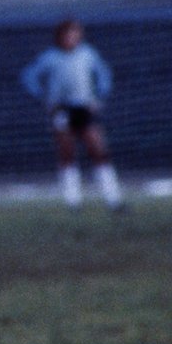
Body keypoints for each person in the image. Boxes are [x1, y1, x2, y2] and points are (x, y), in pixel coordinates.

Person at [21, 18, 125, 211]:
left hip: (84, 108)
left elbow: (104, 75)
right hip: (61, 110)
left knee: (98, 150)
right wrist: (44, 98)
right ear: (60, 36)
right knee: (67, 151)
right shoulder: (50, 57)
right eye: (68, 34)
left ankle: (113, 199)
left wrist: (99, 97)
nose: (72, 38)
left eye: (75, 33)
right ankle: (73, 201)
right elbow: (28, 77)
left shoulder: (88, 54)